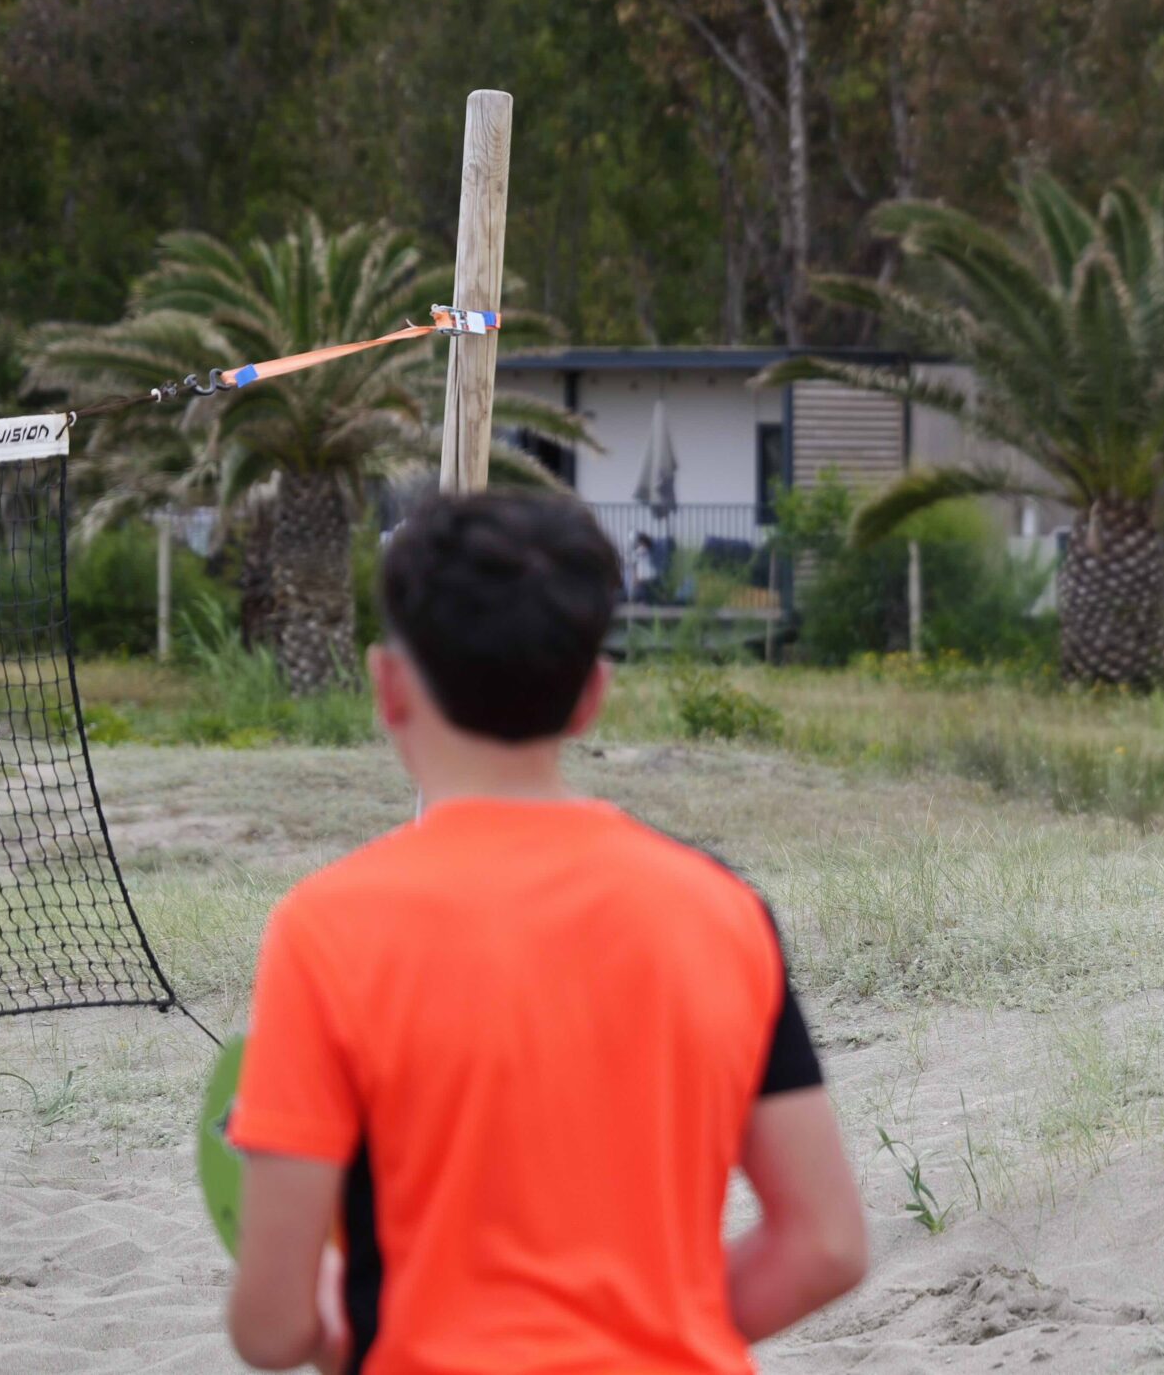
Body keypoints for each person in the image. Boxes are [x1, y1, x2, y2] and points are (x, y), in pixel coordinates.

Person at [224, 492, 866, 1373]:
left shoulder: (326, 927)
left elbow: (270, 1327)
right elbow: (826, 1243)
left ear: (388, 685)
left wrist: (343, 1318)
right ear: (592, 695)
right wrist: (642, 1329)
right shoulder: (723, 909)